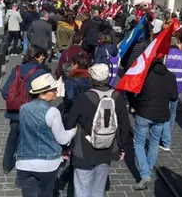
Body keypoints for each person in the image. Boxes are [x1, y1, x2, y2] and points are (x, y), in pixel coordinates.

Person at [65, 63, 129, 197]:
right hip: (108, 148)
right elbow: (124, 124)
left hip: (84, 149)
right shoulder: (117, 97)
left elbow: (70, 123)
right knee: (98, 189)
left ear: (91, 78)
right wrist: (122, 147)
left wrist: (65, 146)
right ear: (108, 78)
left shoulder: (83, 98)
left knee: (82, 188)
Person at [15, 73, 76, 196]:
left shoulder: (23, 108)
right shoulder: (52, 111)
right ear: (42, 93)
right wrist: (74, 130)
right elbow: (62, 139)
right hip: (47, 163)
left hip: (24, 162)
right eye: (53, 90)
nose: (56, 92)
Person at [133, 58, 178, 190]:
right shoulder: (170, 76)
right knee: (153, 143)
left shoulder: (146, 73)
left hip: (144, 113)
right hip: (161, 115)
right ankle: (148, 169)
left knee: (139, 143)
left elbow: (135, 91)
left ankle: (145, 172)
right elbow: (174, 97)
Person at [1, 46, 47, 174]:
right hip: (31, 113)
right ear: (36, 56)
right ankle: (25, 164)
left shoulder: (16, 70)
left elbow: (5, 92)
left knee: (13, 137)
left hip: (15, 113)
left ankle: (6, 164)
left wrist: (16, 102)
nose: (43, 58)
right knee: (29, 138)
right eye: (42, 55)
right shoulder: (40, 73)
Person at [159, 36, 182, 151]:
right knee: (172, 111)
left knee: (165, 111)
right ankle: (169, 129)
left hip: (166, 85)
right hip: (179, 85)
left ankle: (165, 135)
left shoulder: (165, 54)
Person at [61, 52, 92, 121]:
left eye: (72, 64)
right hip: (86, 112)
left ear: (76, 65)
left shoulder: (71, 80)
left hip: (73, 112)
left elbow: (70, 98)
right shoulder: (89, 78)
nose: (71, 65)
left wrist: (66, 109)